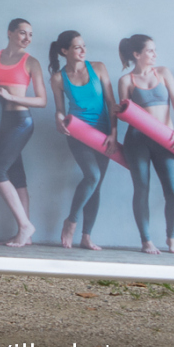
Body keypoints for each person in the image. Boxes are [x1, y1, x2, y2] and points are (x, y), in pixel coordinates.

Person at [0, 17, 45, 248]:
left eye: (30, 35)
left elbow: (42, 101)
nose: (27, 38)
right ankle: (27, 235)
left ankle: (25, 226)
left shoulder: (31, 62)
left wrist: (11, 97)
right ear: (10, 33)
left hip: (21, 122)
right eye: (23, 33)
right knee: (17, 175)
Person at [115, 34, 174, 254]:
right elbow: (124, 115)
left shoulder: (163, 73)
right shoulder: (126, 81)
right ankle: (146, 241)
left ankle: (171, 238)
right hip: (137, 141)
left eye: (155, 50)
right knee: (142, 189)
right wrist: (118, 112)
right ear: (137, 54)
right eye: (150, 51)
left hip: (166, 139)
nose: (155, 54)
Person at [48, 30, 115, 251]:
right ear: (64, 51)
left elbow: (111, 103)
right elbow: (59, 110)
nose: (83, 50)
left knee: (96, 186)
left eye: (84, 46)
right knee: (92, 176)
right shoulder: (58, 78)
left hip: (103, 134)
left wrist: (114, 133)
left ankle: (86, 237)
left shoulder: (99, 68)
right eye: (77, 47)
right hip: (78, 133)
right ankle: (71, 221)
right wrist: (59, 119)